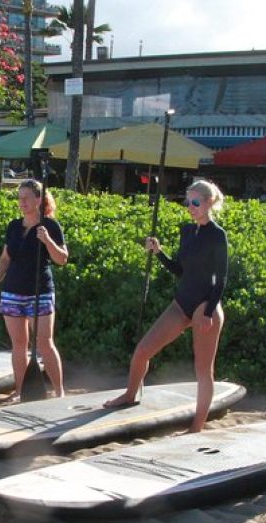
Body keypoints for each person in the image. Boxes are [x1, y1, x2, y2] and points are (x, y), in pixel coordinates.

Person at [105, 180, 229, 433]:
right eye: (188, 202)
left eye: (195, 202)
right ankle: (130, 394)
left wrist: (207, 313)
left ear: (208, 203)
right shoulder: (186, 231)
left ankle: (197, 425)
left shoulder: (217, 235)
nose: (190, 207)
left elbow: (220, 278)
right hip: (182, 301)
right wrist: (159, 252)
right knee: (142, 351)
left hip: (206, 305)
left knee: (203, 370)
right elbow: (179, 270)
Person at [0, 179, 68, 398]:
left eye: (26, 198)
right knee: (18, 345)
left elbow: (62, 259)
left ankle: (59, 391)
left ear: (38, 200)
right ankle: (21, 391)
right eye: (19, 198)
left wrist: (48, 240)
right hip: (13, 291)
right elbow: (5, 259)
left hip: (40, 291)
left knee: (44, 343)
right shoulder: (14, 226)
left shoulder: (50, 225)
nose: (21, 202)